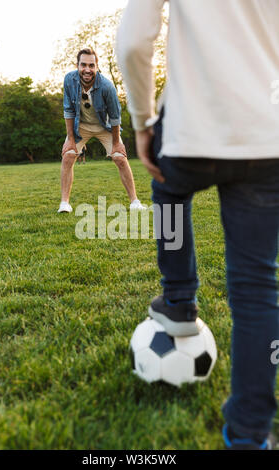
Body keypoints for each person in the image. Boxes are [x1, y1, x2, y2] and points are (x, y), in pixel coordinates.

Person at [116, 0, 279, 450]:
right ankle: (249, 435)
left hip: (191, 127)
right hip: (268, 135)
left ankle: (179, 299)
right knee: (256, 283)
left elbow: (133, 41)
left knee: (168, 191)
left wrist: (143, 121)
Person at [58, 47, 145, 213]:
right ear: (77, 65)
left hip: (104, 126)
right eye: (83, 65)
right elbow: (68, 110)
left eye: (91, 65)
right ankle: (64, 203)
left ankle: (135, 201)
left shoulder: (107, 86)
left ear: (97, 66)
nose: (87, 69)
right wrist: (70, 138)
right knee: (68, 155)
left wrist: (117, 142)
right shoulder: (69, 80)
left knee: (120, 158)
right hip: (81, 125)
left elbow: (115, 117)